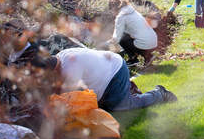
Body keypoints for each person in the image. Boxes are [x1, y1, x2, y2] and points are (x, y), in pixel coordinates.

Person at [26, 47, 177, 111]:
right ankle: (128, 88)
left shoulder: (70, 68)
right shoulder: (61, 55)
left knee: (122, 107)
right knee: (104, 107)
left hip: (114, 73)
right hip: (110, 67)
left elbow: (70, 99)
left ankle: (159, 93)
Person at [106, 0, 158, 64]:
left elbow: (116, 38)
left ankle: (136, 59)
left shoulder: (121, 17)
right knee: (126, 36)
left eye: (111, 11)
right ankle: (149, 55)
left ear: (113, 9)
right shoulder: (132, 11)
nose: (112, 13)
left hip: (145, 44)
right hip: (154, 41)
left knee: (122, 39)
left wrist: (106, 44)